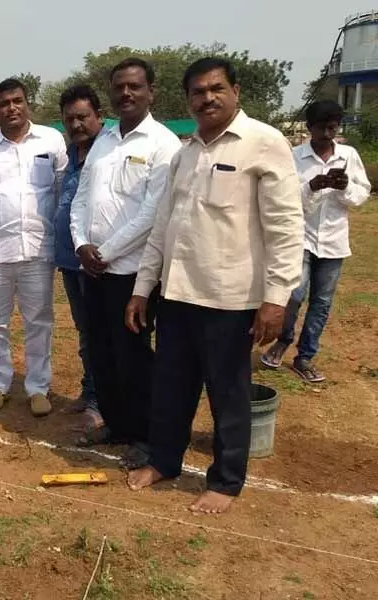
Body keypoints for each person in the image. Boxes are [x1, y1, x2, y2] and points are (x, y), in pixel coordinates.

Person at [125, 57, 303, 514]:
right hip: (178, 295)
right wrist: (144, 287)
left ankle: (225, 482)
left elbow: (285, 227)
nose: (208, 98)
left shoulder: (264, 143)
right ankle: (163, 461)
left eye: (216, 89)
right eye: (198, 92)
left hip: (231, 299)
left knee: (228, 395)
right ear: (187, 99)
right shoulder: (185, 154)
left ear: (235, 91)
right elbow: (163, 226)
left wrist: (276, 298)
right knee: (171, 389)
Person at [70, 59, 182, 464]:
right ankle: (116, 426)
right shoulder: (104, 139)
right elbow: (82, 196)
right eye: (119, 87)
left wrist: (107, 252)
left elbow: (153, 211)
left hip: (131, 273)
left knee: (132, 356)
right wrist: (81, 242)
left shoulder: (163, 143)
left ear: (151, 90)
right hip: (92, 268)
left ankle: (144, 435)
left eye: (135, 86)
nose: (126, 94)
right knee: (100, 352)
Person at [0, 78, 68, 417]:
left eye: (17, 100)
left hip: (38, 249)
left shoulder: (51, 141)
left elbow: (64, 191)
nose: (12, 107)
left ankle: (38, 387)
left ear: (27, 103)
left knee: (39, 321)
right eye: (4, 103)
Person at [261, 100, 371, 382]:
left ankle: (305, 356)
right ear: (310, 128)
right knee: (294, 295)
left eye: (332, 127)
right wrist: (312, 186)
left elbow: (362, 195)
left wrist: (344, 187)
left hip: (334, 241)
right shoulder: (294, 157)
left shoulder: (348, 156)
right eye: (321, 128)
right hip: (301, 239)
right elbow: (283, 199)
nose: (327, 133)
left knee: (322, 303)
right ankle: (283, 340)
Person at [52, 84, 105, 434]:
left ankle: (104, 402)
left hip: (100, 262)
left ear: (99, 117)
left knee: (103, 332)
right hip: (71, 262)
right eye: (70, 118)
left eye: (83, 117)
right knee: (85, 330)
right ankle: (90, 392)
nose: (77, 124)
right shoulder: (70, 154)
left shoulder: (108, 154)